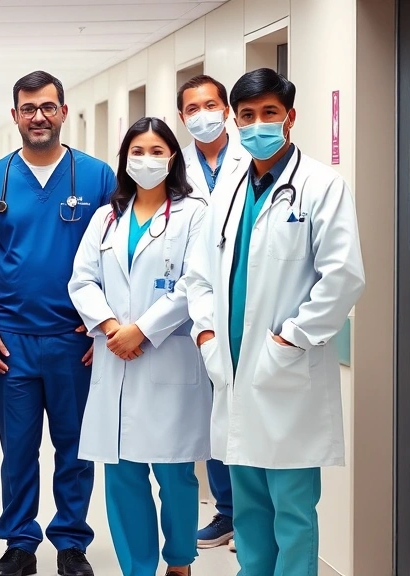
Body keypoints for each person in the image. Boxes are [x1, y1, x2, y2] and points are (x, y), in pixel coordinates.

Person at [184, 68, 366, 576]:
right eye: (246, 116)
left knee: (292, 511)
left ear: (290, 117)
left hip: (287, 371)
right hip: (233, 367)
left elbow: (344, 277)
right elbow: (199, 275)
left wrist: (291, 338)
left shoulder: (321, 185)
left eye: (269, 113)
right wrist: (204, 332)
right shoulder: (228, 190)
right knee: (250, 510)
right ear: (234, 120)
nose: (257, 124)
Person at [0, 70, 117, 576]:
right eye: (28, 108)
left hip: (75, 339)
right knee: (18, 450)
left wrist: (104, 326)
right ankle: (20, 544)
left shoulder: (97, 178)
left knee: (75, 448)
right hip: (11, 339)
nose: (38, 117)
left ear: (63, 112)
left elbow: (117, 259)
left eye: (48, 107)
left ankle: (71, 542)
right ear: (14, 116)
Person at [69, 117, 209, 576]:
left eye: (156, 151)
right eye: (137, 152)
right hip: (115, 357)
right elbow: (82, 279)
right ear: (124, 160)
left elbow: (194, 284)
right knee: (123, 478)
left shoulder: (195, 213)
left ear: (172, 157)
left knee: (174, 475)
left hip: (167, 355)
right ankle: (138, 568)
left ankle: (180, 561)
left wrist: (143, 330)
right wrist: (112, 327)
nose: (146, 160)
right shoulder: (106, 217)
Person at [175, 74, 248, 551]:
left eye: (211, 104)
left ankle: (250, 517)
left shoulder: (253, 160)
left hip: (241, 303)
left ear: (225, 109)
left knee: (245, 413)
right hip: (188, 309)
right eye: (192, 108)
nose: (203, 114)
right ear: (182, 118)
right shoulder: (173, 167)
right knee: (209, 418)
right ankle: (225, 512)